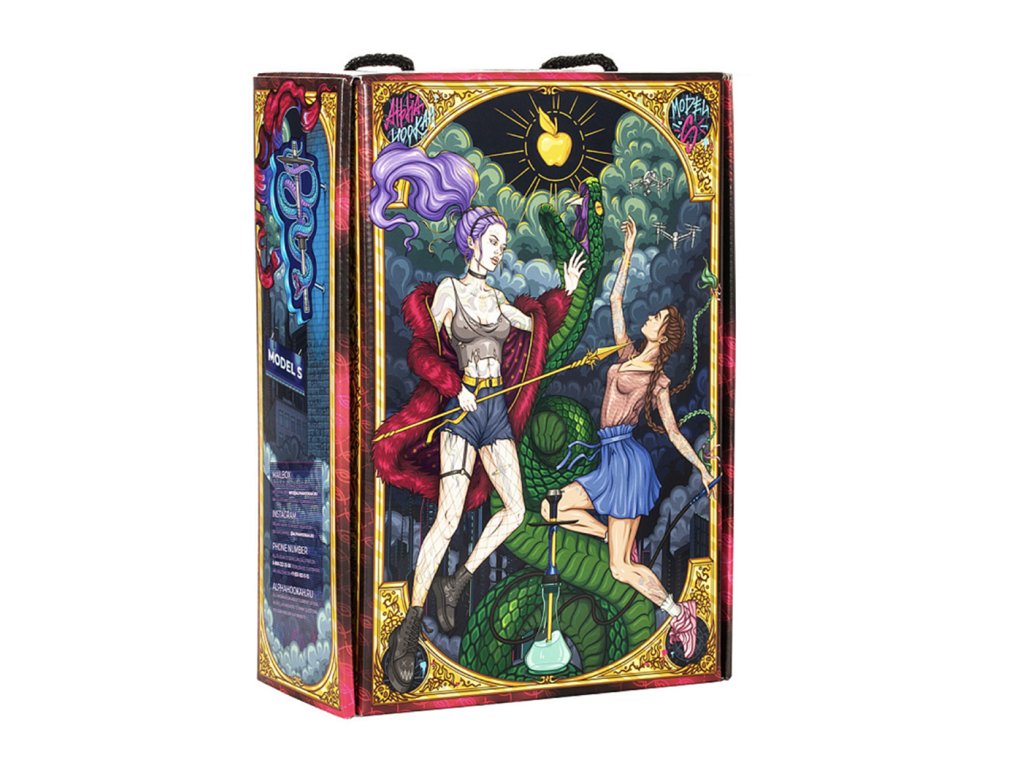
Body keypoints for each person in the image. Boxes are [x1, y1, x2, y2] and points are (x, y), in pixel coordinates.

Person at [369, 142, 585, 692]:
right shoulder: (449, 292)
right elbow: (421, 351)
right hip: (460, 415)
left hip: (494, 416)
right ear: (471, 242)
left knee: (515, 509)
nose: (498, 253)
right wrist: (452, 386)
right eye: (493, 243)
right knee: (446, 518)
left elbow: (538, 322)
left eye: (503, 246)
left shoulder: (498, 300)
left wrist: (567, 291)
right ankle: (410, 626)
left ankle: (458, 581)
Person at [540, 215, 714, 659]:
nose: (649, 317)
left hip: (627, 466)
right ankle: (609, 534)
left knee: (620, 568)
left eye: (657, 318)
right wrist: (629, 247)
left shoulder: (657, 380)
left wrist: (700, 467)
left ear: (664, 335)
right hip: (607, 458)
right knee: (551, 508)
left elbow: (672, 431)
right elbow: (616, 298)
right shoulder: (627, 354)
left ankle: (677, 612)